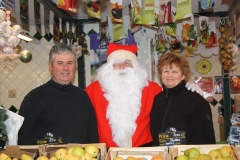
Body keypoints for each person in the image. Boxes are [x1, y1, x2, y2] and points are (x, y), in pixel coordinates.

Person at [86, 43, 203, 148]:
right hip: (108, 153)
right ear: (109, 67)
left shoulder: (152, 89)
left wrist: (186, 88)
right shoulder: (93, 90)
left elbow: (173, 101)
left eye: (127, 63)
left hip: (144, 151)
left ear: (135, 67)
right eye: (116, 64)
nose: (121, 67)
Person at [18, 43, 99, 145]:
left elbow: (92, 133)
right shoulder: (34, 98)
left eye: (69, 63)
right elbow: (23, 137)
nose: (65, 68)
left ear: (75, 65)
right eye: (60, 63)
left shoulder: (83, 96)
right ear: (50, 65)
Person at [150, 52, 216, 146]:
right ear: (161, 74)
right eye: (166, 71)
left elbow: (206, 137)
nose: (170, 75)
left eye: (175, 72)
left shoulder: (195, 99)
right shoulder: (157, 100)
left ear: (183, 76)